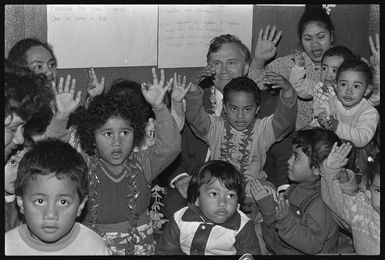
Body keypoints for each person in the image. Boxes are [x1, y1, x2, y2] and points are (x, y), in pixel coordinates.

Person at [72, 68, 181, 255]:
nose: (117, 142)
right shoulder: (84, 166)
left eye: (125, 132)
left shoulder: (143, 163)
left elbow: (170, 147)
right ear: (91, 137)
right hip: (94, 246)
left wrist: (160, 108)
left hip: (140, 247)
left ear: (136, 132)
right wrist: (60, 118)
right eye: (107, 134)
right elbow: (48, 160)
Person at [162, 34, 253, 220]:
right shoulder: (190, 100)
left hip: (247, 185)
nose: (224, 71)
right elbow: (167, 146)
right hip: (196, 184)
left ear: (246, 67)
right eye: (217, 64)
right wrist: (180, 177)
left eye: (232, 63)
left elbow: (280, 156)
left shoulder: (260, 103)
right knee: (174, 209)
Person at [248, 5, 334, 188]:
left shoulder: (344, 62)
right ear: (300, 40)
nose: (315, 45)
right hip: (293, 143)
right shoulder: (291, 63)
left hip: (332, 139)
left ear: (332, 36)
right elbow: (252, 89)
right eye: (308, 38)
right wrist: (258, 60)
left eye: (321, 37)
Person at [5, 139, 110, 255]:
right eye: (40, 201)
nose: (50, 215)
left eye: (63, 202)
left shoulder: (94, 247)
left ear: (81, 205)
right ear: (21, 202)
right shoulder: (8, 247)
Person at [252, 128, 339, 255]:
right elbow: (279, 218)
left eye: (296, 157)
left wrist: (285, 220)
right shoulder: (296, 187)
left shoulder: (320, 204)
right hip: (283, 243)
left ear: (316, 169)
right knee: (254, 229)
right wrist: (268, 205)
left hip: (301, 251)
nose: (289, 161)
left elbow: (312, 246)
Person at [7, 38, 104, 143]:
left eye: (51, 64)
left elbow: (89, 137)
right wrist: (61, 116)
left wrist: (95, 99)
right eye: (39, 66)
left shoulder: (66, 101)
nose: (49, 72)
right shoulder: (20, 111)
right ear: (21, 71)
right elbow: (43, 153)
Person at [156, 160, 261, 255]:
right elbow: (165, 251)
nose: (223, 203)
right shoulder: (180, 219)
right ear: (197, 198)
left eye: (230, 195)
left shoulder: (242, 227)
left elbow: (249, 255)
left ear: (238, 202)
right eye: (214, 194)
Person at [321, 143, 380, 255]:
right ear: (370, 187)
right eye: (378, 190)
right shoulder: (364, 212)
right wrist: (330, 171)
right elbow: (337, 202)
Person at [312, 57, 379, 148]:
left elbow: (362, 139)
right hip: (330, 152)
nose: (348, 91)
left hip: (357, 156)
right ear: (335, 85)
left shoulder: (369, 112)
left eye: (356, 86)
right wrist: (319, 123)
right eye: (343, 84)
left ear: (367, 90)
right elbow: (312, 127)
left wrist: (338, 127)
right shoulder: (329, 104)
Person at [289, 45, 354, 118]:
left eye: (334, 70)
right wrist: (298, 68)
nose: (328, 74)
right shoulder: (318, 87)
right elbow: (297, 86)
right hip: (317, 127)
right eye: (324, 68)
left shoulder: (350, 92)